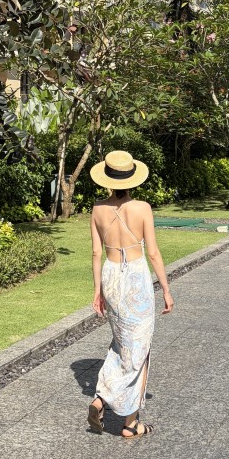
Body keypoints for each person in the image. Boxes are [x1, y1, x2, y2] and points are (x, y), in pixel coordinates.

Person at [87, 149, 174, 439]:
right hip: (135, 276)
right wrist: (166, 289)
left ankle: (101, 398)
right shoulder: (142, 208)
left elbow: (96, 253)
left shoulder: (98, 209)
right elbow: (153, 253)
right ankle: (130, 423)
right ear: (132, 179)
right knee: (139, 348)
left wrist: (97, 290)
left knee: (122, 342)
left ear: (108, 180)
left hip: (111, 276)